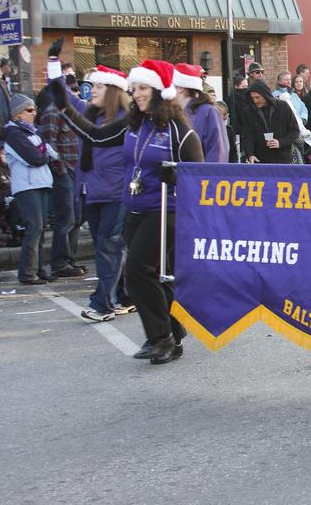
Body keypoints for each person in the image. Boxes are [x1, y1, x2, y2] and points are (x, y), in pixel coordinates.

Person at [49, 58, 203, 364]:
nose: (137, 94)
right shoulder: (134, 124)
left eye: (143, 88)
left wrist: (179, 174)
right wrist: (64, 106)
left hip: (166, 210)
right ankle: (174, 331)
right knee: (155, 275)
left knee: (135, 272)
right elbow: (95, 135)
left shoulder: (179, 131)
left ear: (160, 91)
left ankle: (159, 339)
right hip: (135, 208)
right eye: (133, 89)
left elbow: (199, 177)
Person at [66, 66, 134, 322]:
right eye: (91, 86)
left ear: (113, 90)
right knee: (104, 248)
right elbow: (65, 99)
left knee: (109, 247)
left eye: (98, 86)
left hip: (116, 193)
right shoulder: (89, 114)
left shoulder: (126, 120)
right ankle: (124, 295)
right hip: (90, 192)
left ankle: (102, 305)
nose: (91, 90)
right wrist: (53, 65)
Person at [3, 92, 56, 285]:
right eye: (29, 110)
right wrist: (44, 154)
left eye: (35, 109)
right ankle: (27, 272)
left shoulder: (33, 131)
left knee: (41, 229)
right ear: (18, 114)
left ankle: (39, 269)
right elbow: (35, 158)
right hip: (27, 186)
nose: (34, 113)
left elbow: (43, 152)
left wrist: (42, 153)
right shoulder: (13, 133)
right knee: (33, 228)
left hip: (41, 182)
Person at [40, 90, 86, 279]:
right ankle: (60, 262)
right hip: (64, 171)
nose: (76, 93)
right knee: (66, 217)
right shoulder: (53, 112)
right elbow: (49, 143)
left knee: (77, 217)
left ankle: (70, 259)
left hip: (77, 171)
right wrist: (61, 169)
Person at [173, 63, 229, 163]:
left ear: (181, 88)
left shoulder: (209, 112)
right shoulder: (174, 113)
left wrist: (205, 177)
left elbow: (218, 153)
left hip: (201, 177)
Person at [241, 79, 301, 164]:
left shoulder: (283, 107)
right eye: (252, 98)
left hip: (282, 159)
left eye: (258, 97)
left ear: (265, 95)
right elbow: (247, 135)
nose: (255, 101)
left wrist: (280, 142)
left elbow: (294, 130)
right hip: (259, 160)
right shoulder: (249, 111)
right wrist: (250, 154)